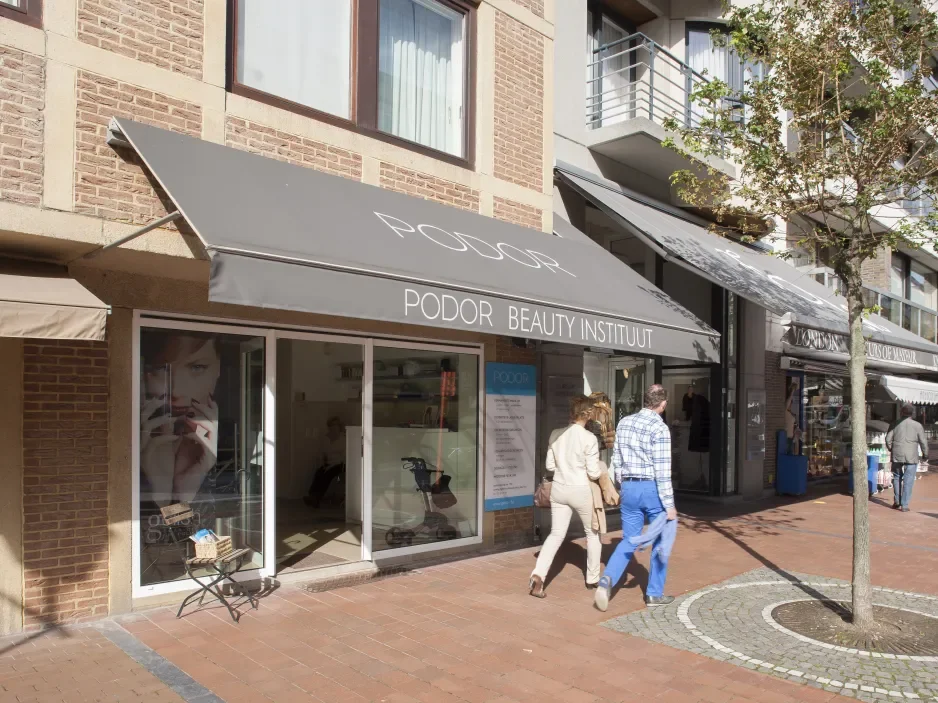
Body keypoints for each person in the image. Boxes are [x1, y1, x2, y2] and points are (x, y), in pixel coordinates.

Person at [594, 384, 677, 612]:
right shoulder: (660, 429)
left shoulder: (625, 423)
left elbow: (617, 460)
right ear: (663, 404)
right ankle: (653, 594)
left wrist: (622, 484)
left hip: (629, 487)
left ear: (644, 400)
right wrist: (669, 505)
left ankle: (606, 580)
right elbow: (662, 471)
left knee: (629, 540)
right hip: (651, 489)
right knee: (662, 543)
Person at [529, 395, 604, 598]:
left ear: (572, 413)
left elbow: (550, 466)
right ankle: (592, 579)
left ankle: (538, 575)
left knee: (555, 534)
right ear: (588, 415)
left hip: (559, 489)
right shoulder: (589, 438)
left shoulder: (555, 434)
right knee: (592, 533)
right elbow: (594, 473)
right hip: (581, 490)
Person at [140, 332, 221, 505]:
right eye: (160, 369)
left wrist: (183, 494)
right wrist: (159, 489)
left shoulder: (212, 457)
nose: (176, 391)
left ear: (218, 370)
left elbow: (182, 530)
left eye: (197, 367)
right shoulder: (134, 448)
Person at [886, 404, 928, 512]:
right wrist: (925, 454)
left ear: (901, 412)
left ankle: (897, 501)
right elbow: (923, 441)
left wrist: (892, 449)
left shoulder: (895, 424)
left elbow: (888, 439)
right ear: (912, 413)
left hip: (897, 454)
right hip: (911, 456)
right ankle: (904, 505)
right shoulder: (917, 425)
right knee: (908, 479)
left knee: (896, 477)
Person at [305, 417, 347, 509]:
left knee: (327, 475)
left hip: (339, 464)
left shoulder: (343, 439)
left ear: (338, 427)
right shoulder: (326, 439)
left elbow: (344, 457)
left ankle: (317, 498)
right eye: (331, 426)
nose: (333, 428)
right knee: (318, 473)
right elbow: (323, 453)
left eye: (335, 426)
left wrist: (330, 466)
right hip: (328, 463)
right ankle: (312, 496)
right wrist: (324, 464)